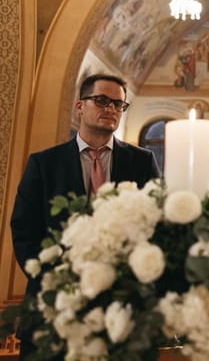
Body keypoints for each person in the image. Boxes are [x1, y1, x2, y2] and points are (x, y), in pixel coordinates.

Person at [10, 73, 161, 356]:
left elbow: (155, 226)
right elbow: (25, 231)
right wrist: (59, 282)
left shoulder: (141, 162)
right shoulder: (45, 164)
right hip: (54, 307)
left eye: (118, 104)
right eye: (102, 101)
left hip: (123, 310)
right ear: (80, 106)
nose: (111, 109)